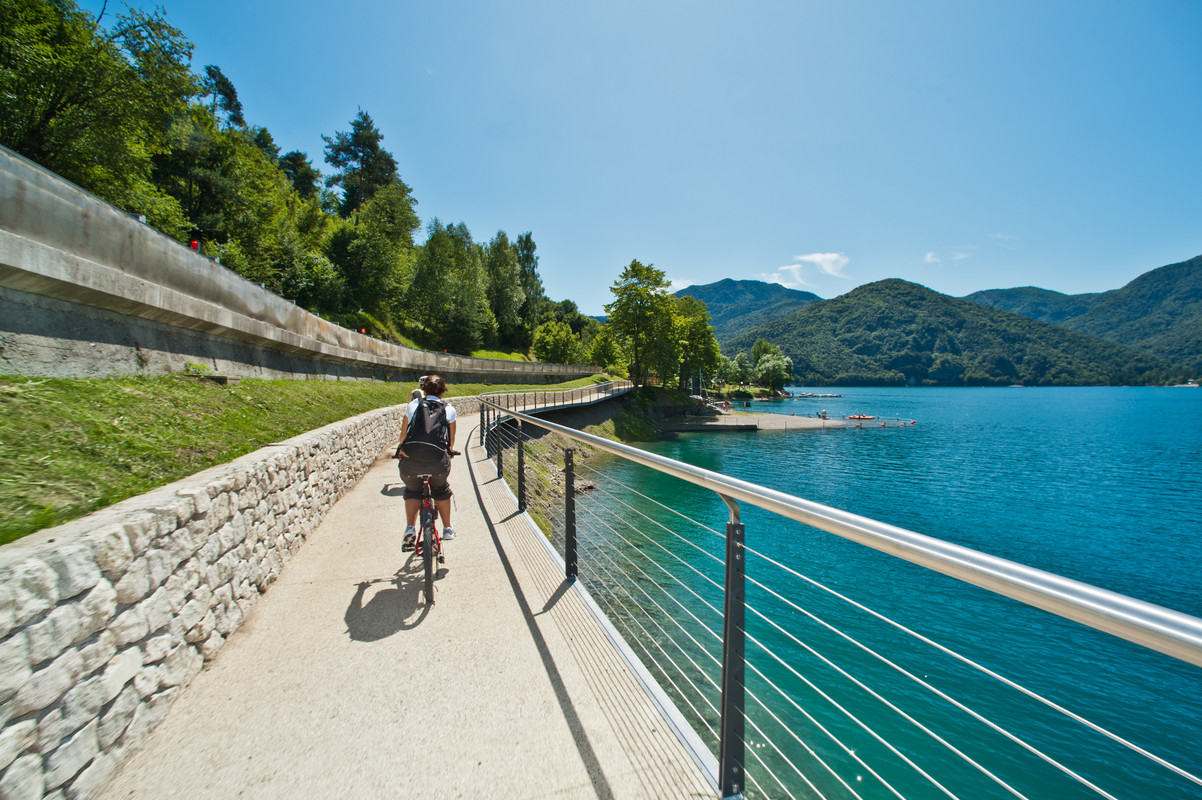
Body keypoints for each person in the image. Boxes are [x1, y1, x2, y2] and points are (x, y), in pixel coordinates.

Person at [396, 374, 459, 546]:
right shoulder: (449, 409)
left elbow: (403, 437)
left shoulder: (413, 406)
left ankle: (410, 528)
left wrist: (401, 452)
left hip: (411, 462)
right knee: (441, 490)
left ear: (423, 390)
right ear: (444, 392)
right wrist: (450, 452)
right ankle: (447, 528)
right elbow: (450, 442)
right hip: (437, 462)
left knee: (412, 491)